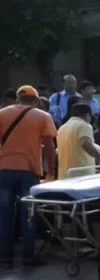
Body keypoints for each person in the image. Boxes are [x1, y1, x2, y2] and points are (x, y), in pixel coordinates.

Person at [0, 86, 57, 269]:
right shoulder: (42, 116)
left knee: (5, 215)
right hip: (29, 171)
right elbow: (49, 146)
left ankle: (5, 258)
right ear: (36, 100)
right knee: (28, 215)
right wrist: (51, 172)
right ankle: (28, 257)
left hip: (3, 170)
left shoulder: (2, 113)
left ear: (17, 99)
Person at [56, 103, 100, 179]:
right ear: (87, 115)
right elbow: (85, 143)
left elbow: (57, 152)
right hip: (81, 176)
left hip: (64, 176)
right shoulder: (84, 125)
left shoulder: (61, 129)